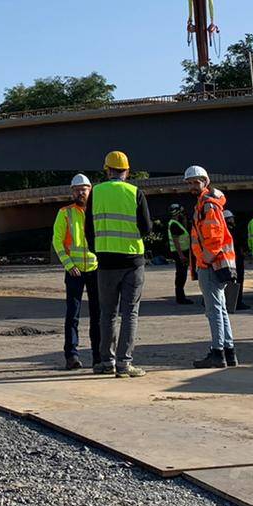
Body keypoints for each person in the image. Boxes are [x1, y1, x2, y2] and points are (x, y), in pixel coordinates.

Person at [83, 150, 153, 378]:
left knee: (108, 313)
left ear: (107, 170)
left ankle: (106, 361)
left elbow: (88, 229)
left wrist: (99, 250)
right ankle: (124, 363)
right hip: (133, 261)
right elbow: (147, 227)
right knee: (130, 312)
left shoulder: (96, 192)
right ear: (127, 171)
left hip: (105, 262)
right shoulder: (135, 192)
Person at [183, 167, 239, 369]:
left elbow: (213, 235)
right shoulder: (208, 203)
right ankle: (228, 351)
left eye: (195, 182)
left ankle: (218, 353)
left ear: (205, 182)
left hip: (210, 264)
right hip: (217, 262)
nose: (191, 186)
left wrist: (206, 259)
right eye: (189, 183)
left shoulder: (207, 205)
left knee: (214, 310)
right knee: (220, 309)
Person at [52, 174, 101, 370]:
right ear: (72, 192)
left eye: (84, 189)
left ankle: (99, 356)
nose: (81, 192)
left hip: (95, 268)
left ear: (90, 190)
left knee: (98, 315)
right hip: (74, 270)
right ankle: (71, 356)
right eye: (77, 189)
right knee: (73, 314)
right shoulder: (65, 213)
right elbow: (57, 240)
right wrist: (68, 264)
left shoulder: (98, 211)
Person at [167, 204, 195, 304]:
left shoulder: (176, 223)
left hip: (182, 252)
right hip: (180, 253)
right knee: (181, 274)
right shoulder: (174, 224)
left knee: (182, 274)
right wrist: (181, 256)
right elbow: (176, 241)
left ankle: (181, 296)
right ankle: (180, 297)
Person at [223, 209, 250, 311]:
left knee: (229, 281)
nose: (233, 220)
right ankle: (237, 302)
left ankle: (230, 302)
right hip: (235, 259)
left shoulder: (223, 230)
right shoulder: (232, 231)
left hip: (228, 260)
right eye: (231, 218)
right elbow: (238, 243)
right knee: (237, 280)